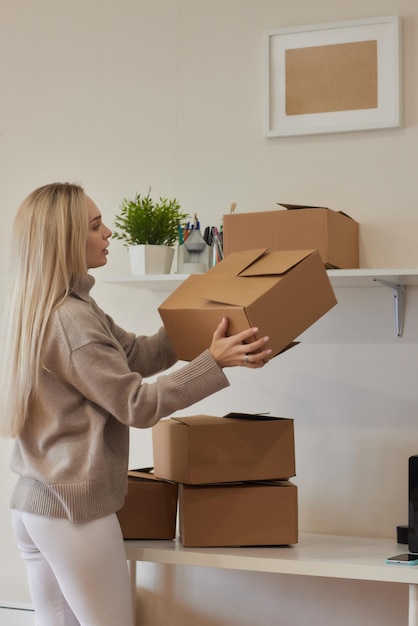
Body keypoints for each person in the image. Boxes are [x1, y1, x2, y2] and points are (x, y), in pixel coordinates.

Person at [0, 182, 271, 626]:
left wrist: (199, 323)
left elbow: (136, 356)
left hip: (37, 504)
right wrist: (213, 363)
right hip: (73, 513)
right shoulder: (71, 321)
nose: (108, 233)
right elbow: (137, 404)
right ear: (65, 240)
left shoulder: (64, 306)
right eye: (94, 226)